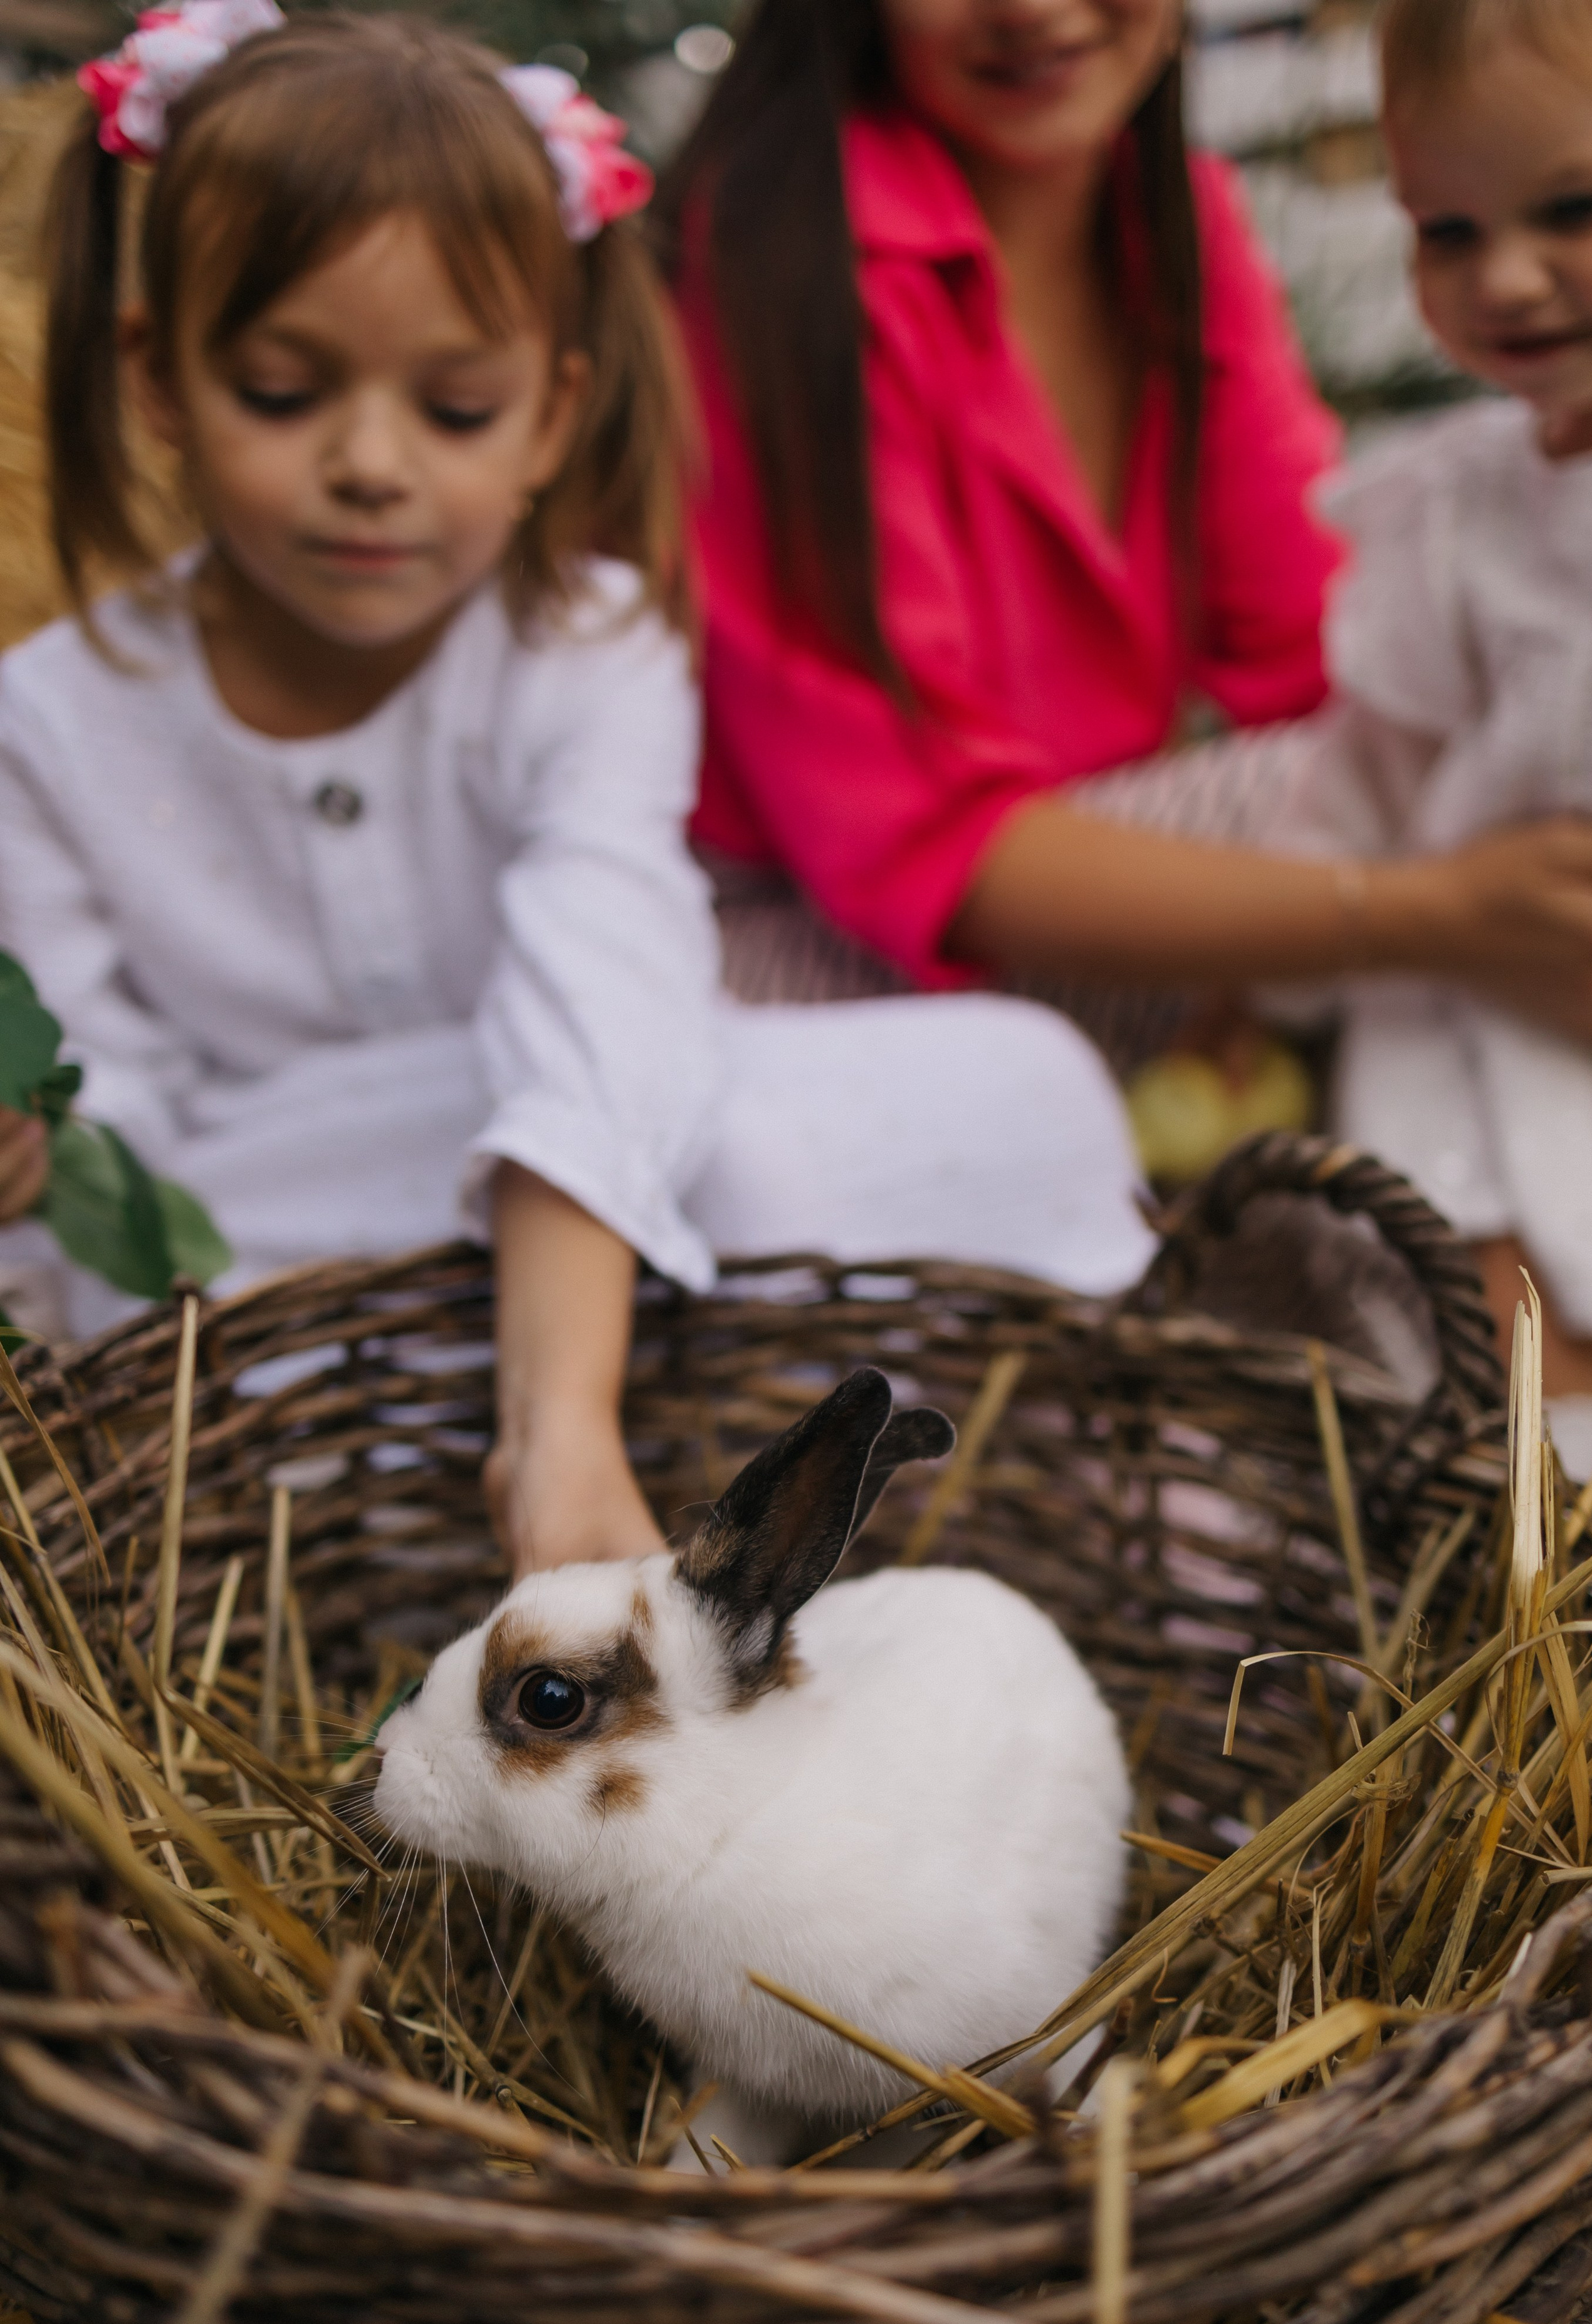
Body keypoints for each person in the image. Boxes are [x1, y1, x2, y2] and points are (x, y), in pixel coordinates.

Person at [0, 3, 1158, 1568]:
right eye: (282, 392)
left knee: (1013, 1081)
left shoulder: (585, 643)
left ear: (551, 410)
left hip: (577, 1160)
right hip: (259, 1224)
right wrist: (48, 1147)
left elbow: (601, 998)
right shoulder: (49, 720)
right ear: (157, 380)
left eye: (454, 408)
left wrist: (557, 1433)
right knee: (121, 1274)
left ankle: (572, 1391)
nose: (370, 464)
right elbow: (119, 1130)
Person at [659, 0, 1592, 1077]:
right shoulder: (777, 259)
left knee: (1471, 737)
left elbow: (1325, 651)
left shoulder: (1169, 218)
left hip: (1076, 927)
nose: (1031, 9)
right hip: (790, 977)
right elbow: (914, 852)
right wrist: (1420, 917)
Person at [1274, 0, 1592, 1465]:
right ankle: (1525, 1589)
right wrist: (1272, 962)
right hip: (1464, 986)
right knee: (1469, 1325)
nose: (1506, 279)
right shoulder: (1449, 503)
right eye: (1445, 229)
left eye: (1572, 209)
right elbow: (1374, 766)